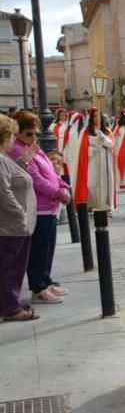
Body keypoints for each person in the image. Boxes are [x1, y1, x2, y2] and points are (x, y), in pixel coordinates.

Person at [10, 110, 72, 305]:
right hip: (40, 206)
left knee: (47, 247)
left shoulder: (32, 147)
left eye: (36, 133)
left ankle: (45, 280)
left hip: (50, 206)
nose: (34, 137)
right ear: (17, 133)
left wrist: (63, 185)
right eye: (29, 133)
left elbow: (50, 170)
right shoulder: (17, 150)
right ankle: (38, 287)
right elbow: (36, 180)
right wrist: (58, 192)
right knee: (38, 249)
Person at [0, 114, 39, 321]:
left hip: (16, 223)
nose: (13, 140)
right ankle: (11, 308)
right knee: (12, 267)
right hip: (11, 224)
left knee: (13, 266)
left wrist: (23, 162)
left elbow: (14, 180)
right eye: (11, 136)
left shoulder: (5, 159)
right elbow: (4, 192)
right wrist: (19, 213)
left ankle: (8, 303)